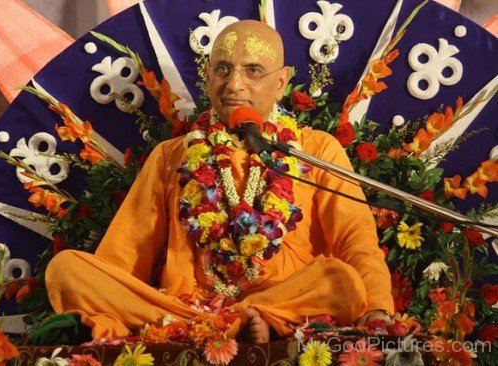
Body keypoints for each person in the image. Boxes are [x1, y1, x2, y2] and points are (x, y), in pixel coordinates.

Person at [46, 19, 393, 344]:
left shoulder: (315, 150)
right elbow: (122, 259)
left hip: (285, 298)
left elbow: (355, 237)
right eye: (222, 69)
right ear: (208, 75)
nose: (234, 84)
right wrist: (110, 294)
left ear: (281, 83)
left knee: (342, 281)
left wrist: (377, 306)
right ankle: (210, 324)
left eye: (253, 71)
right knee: (67, 270)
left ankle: (249, 316)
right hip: (184, 304)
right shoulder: (172, 156)